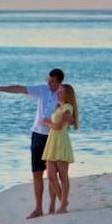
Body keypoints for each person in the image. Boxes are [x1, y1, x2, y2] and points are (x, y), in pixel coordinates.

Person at [0, 68, 64, 219]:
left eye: (52, 81)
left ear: (60, 82)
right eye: (48, 80)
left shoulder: (63, 94)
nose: (48, 83)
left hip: (52, 137)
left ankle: (54, 205)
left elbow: (68, 115)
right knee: (36, 173)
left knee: (53, 174)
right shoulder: (42, 90)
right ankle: (38, 208)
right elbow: (19, 88)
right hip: (37, 136)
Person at [40, 84, 78, 214]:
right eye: (58, 91)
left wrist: (46, 122)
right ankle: (63, 200)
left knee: (63, 176)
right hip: (52, 142)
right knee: (50, 175)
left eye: (61, 92)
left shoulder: (68, 108)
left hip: (61, 142)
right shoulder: (59, 107)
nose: (58, 93)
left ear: (67, 94)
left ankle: (63, 206)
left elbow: (57, 127)